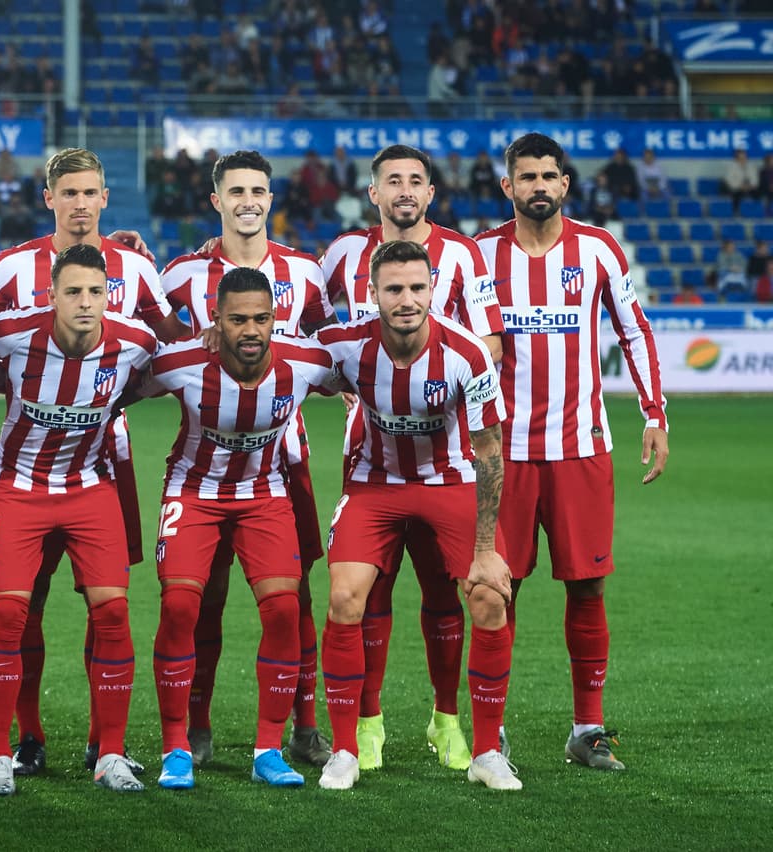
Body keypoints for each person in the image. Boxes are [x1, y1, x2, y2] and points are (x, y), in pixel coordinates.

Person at [0, 147, 188, 777]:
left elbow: (167, 346)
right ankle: (25, 739)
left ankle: (102, 743)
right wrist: (18, 386)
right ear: (50, 198)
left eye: (91, 193)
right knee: (22, 604)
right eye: (70, 193)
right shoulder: (13, 268)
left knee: (107, 602)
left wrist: (111, 396)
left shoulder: (136, 267)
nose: (81, 204)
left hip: (103, 460)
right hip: (24, 466)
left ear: (105, 198)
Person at [477, 132, 668, 771]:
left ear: (564, 184)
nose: (539, 186)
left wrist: (654, 414)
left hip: (581, 447)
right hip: (501, 454)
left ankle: (587, 729)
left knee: (587, 587)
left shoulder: (598, 249)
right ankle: (490, 734)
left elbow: (635, 332)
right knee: (496, 590)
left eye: (548, 176)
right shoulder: (480, 256)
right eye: (526, 176)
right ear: (507, 186)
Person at [319, 143, 503, 773]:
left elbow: (489, 346)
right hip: (370, 470)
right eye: (391, 180)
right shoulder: (343, 259)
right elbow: (296, 327)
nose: (403, 189)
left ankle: (456, 728)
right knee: (359, 597)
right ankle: (360, 731)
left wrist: (438, 375)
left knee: (465, 595)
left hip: (447, 470)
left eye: (415, 180)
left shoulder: (463, 265)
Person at [159, 149, 336, 769]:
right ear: (217, 200)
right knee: (200, 597)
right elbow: (154, 340)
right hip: (207, 460)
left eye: (258, 191)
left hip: (284, 457)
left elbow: (326, 344)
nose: (248, 202)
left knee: (295, 596)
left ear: (271, 198)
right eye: (236, 191)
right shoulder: (184, 273)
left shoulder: (304, 271)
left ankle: (304, 727)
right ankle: (195, 726)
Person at [0, 244, 156, 796]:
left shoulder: (134, 343)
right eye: (73, 291)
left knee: (114, 612)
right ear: (51, 295)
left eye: (95, 292)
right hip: (17, 488)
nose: (85, 302)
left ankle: (110, 754)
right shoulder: (9, 334)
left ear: (109, 296)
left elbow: (154, 378)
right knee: (9, 613)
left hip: (89, 488)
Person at [722, 148, 758, 213]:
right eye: (740, 157)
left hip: (749, 187)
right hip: (736, 188)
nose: (742, 159)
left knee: (758, 194)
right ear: (736, 158)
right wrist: (740, 186)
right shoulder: (731, 167)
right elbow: (729, 180)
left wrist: (750, 186)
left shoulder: (751, 166)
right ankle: (736, 212)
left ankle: (755, 212)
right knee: (737, 194)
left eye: (744, 157)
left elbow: (755, 179)